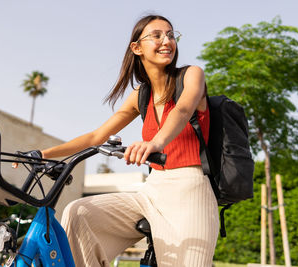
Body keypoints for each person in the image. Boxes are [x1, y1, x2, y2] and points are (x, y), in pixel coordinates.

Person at [39, 14, 219, 267]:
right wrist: (42, 153)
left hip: (191, 188)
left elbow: (182, 110)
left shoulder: (191, 75)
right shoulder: (140, 95)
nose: (166, 41)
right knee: (80, 214)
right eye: (156, 35)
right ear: (137, 48)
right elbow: (95, 137)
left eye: (170, 35)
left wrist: (155, 143)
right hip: (152, 189)